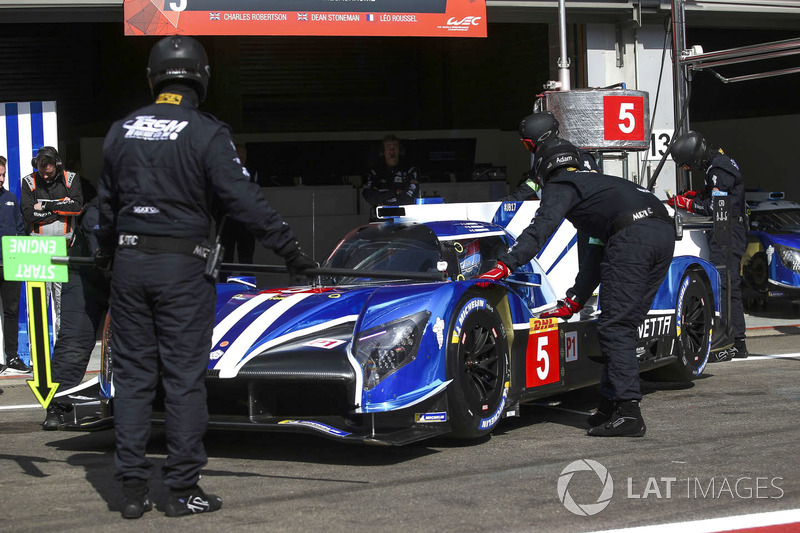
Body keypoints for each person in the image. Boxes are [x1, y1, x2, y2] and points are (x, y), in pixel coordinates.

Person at [96, 35, 316, 519]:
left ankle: (131, 488)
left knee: (132, 378)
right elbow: (245, 202)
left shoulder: (121, 130)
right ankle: (180, 490)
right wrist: (294, 253)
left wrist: (103, 251)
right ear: (202, 77)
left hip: (130, 266)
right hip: (183, 270)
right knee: (183, 381)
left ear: (153, 76)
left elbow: (105, 208)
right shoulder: (206, 132)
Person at [478, 137, 675, 438]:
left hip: (633, 236)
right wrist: (576, 300)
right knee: (622, 323)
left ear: (544, 166)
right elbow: (597, 254)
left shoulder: (562, 184)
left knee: (615, 326)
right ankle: (610, 405)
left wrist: (506, 264)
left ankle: (629, 412)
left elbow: (540, 229)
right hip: (662, 233)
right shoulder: (600, 187)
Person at [668, 131, 747, 360]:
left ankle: (732, 342)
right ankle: (733, 339)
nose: (689, 170)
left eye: (687, 165)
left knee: (726, 285)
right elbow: (718, 198)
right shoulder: (719, 163)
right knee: (725, 284)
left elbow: (716, 208)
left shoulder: (718, 170)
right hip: (728, 231)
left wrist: (687, 204)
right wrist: (699, 196)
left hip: (727, 233)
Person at [42, 198, 110, 430]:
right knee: (74, 340)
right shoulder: (104, 204)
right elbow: (93, 223)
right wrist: (100, 251)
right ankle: (58, 405)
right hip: (86, 275)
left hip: (128, 274)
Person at [20, 146, 85, 339]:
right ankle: (37, 357)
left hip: (63, 249)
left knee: (63, 304)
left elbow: (76, 207)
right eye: (41, 170)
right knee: (38, 304)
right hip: (38, 249)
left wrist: (48, 206)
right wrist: (59, 208)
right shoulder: (29, 181)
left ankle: (60, 353)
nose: (45, 175)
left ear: (56, 164)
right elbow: (29, 213)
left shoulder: (71, 178)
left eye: (48, 170)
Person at [501, 111, 599, 202]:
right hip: (555, 210)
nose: (530, 149)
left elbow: (593, 187)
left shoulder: (580, 156)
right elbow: (525, 191)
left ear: (542, 138)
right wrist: (498, 205)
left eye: (529, 145)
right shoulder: (540, 164)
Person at [0, 155, 30, 374]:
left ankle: (12, 357)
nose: (1, 178)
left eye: (2, 174)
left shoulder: (10, 198)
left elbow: (20, 228)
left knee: (11, 312)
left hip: (9, 264)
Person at [216, 143, 257, 280]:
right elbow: (214, 198)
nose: (241, 157)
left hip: (246, 223)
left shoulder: (251, 172)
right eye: (238, 154)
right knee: (225, 258)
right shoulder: (222, 171)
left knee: (246, 258)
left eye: (243, 154)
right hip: (227, 222)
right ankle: (224, 287)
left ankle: (247, 287)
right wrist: (220, 216)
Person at [362, 135, 419, 217]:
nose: (392, 151)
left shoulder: (410, 170)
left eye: (395, 147)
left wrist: (382, 196)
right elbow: (370, 198)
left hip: (405, 218)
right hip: (380, 218)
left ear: (400, 150)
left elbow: (407, 198)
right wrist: (396, 192)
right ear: (383, 151)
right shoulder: (375, 172)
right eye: (388, 147)